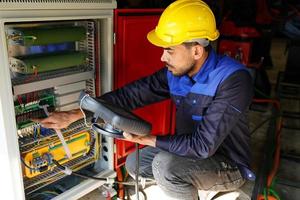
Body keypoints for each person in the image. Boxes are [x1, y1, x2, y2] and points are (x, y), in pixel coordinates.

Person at [35, 0, 254, 199]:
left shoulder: (233, 80)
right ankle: (187, 184)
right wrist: (75, 114)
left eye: (169, 50)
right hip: (189, 154)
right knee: (135, 163)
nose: (162, 57)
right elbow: (129, 96)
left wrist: (149, 139)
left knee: (165, 167)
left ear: (196, 51)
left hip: (228, 164)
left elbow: (203, 146)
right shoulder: (174, 74)